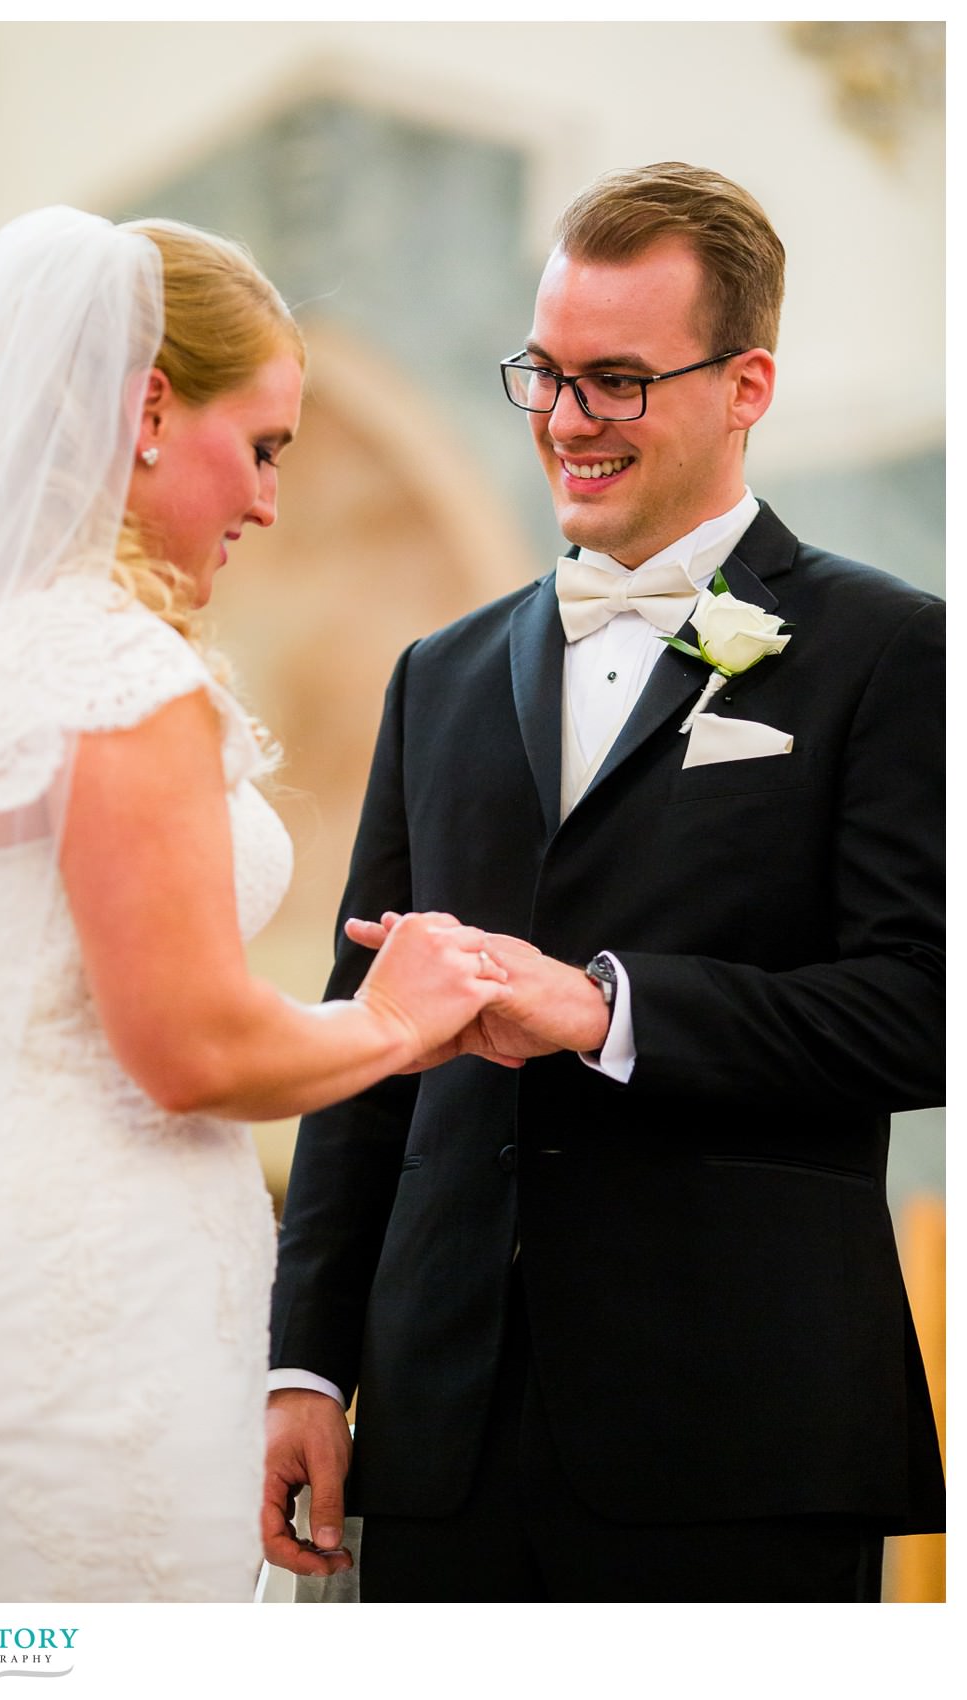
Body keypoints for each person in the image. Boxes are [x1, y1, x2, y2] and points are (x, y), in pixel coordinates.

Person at [263, 162, 945, 1603]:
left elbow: (921, 1009)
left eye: (618, 381)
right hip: (445, 1422)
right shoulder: (437, 678)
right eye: (548, 375)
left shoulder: (891, 651)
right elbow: (358, 1026)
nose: (567, 423)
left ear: (747, 381)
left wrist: (608, 1009)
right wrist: (309, 1362)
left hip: (740, 1423)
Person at [0, 206, 516, 1604]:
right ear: (148, 409)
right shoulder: (116, 674)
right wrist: (399, 1018)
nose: (267, 503)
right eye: (262, 449)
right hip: (91, 1321)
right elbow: (194, 1048)